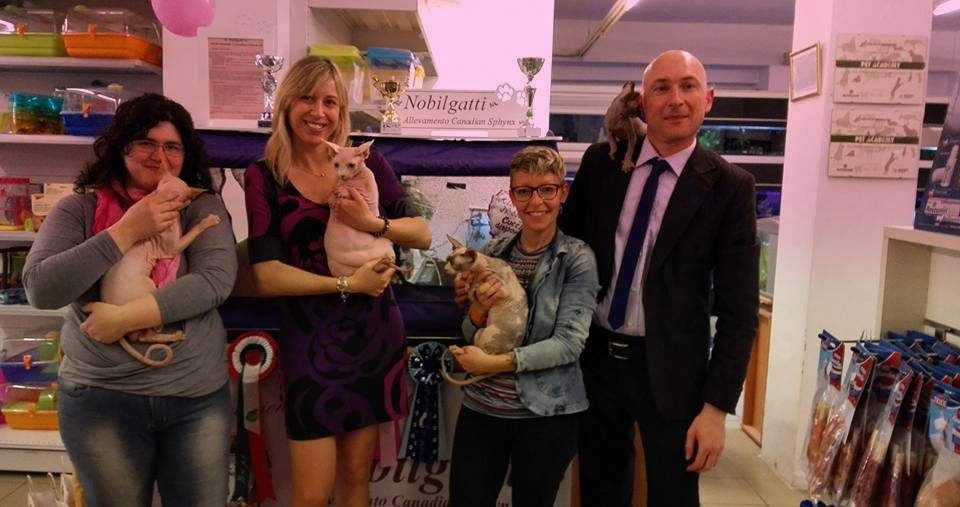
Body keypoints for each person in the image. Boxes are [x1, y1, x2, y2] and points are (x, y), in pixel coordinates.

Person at [561, 49, 759, 507]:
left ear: (708, 99)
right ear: (642, 102)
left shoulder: (730, 188)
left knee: (673, 497)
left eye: (688, 86)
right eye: (661, 88)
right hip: (596, 362)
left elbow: (740, 314)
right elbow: (566, 252)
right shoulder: (601, 164)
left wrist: (716, 409)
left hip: (674, 374)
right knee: (600, 492)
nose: (675, 99)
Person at [23, 93, 237, 507]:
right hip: (101, 397)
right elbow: (41, 289)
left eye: (172, 146)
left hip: (193, 396)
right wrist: (126, 231)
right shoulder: (78, 210)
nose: (160, 156)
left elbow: (214, 281)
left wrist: (123, 318)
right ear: (122, 147)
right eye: (146, 143)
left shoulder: (199, 207)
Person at [242, 55, 431, 507]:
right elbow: (266, 274)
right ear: (287, 104)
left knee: (355, 480)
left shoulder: (367, 162)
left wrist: (372, 223)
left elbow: (421, 234)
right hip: (310, 340)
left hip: (373, 333)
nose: (318, 112)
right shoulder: (264, 175)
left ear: (341, 110)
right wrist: (347, 285)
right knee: (310, 493)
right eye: (307, 99)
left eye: (330, 102)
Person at [449, 146, 600, 507]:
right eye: (524, 191)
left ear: (562, 193)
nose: (536, 202)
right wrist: (478, 310)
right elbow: (471, 334)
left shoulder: (577, 259)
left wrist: (494, 364)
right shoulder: (492, 251)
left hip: (546, 416)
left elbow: (569, 344)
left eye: (547, 189)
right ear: (512, 196)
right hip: (483, 408)